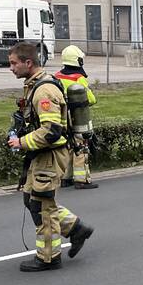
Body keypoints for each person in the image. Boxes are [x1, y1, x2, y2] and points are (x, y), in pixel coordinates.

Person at [7, 42, 94, 271]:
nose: (11, 68)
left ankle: (49, 257)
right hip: (41, 155)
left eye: (14, 63)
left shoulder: (44, 90)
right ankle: (76, 229)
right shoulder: (34, 85)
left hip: (50, 155)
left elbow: (51, 130)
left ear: (28, 63)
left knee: (41, 205)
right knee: (31, 199)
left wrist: (21, 142)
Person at [54, 45, 98, 189]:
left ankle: (65, 178)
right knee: (81, 147)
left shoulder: (56, 76)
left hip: (62, 119)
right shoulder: (78, 79)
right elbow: (91, 99)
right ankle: (82, 180)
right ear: (77, 61)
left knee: (68, 147)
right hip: (78, 118)